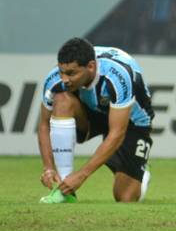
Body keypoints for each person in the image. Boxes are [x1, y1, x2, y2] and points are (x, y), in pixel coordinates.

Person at [37, 38, 154, 203]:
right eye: (61, 71)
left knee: (125, 197)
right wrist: (48, 168)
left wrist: (81, 175)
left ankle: (141, 172)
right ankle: (64, 192)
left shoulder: (118, 76)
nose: (64, 79)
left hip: (130, 122)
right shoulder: (54, 80)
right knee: (62, 99)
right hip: (91, 111)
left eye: (71, 73)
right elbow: (43, 125)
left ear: (91, 67)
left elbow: (117, 133)